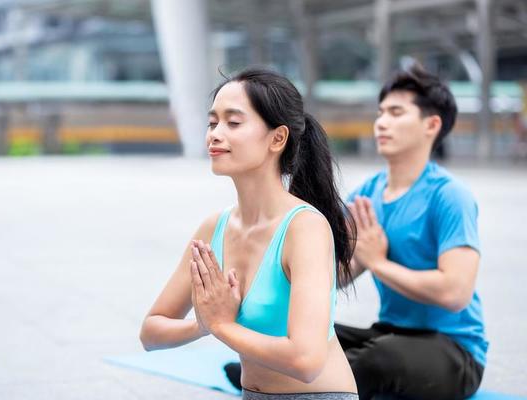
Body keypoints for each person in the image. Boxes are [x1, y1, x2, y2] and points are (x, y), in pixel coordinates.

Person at [139, 67, 359, 400]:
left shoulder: (305, 228)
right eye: (213, 123)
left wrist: (223, 326)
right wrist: (203, 323)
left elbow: (307, 360)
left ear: (278, 138)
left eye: (233, 122)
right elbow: (151, 331)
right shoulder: (215, 227)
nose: (215, 133)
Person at [336, 64, 487, 400]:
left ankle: (294, 386)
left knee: (375, 361)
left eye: (396, 112)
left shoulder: (450, 196)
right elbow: (339, 276)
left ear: (431, 125)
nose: (381, 122)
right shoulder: (366, 196)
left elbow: (455, 292)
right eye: (380, 113)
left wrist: (377, 262)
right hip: (391, 333)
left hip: (453, 348)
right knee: (303, 337)